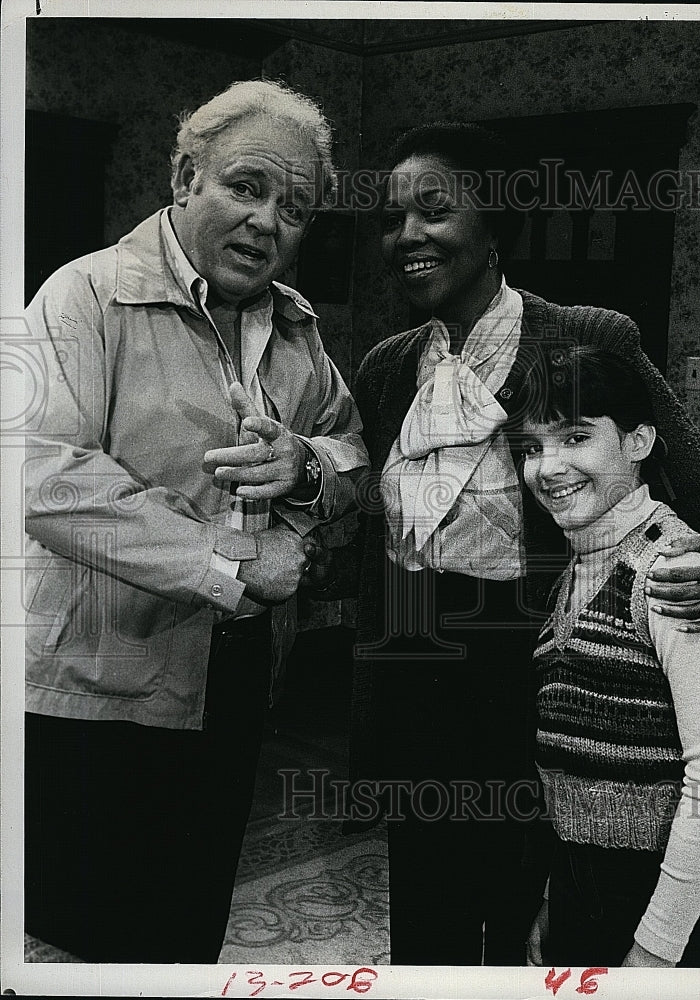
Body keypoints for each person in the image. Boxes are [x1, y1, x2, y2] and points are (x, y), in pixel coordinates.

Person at [347, 123, 700, 966]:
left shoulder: (586, 333)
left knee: (533, 920)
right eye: (391, 220)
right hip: (414, 676)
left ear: (493, 226)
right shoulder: (388, 367)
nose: (408, 236)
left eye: (434, 210)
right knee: (428, 926)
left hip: (537, 677)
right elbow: (364, 523)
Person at [24, 78, 368, 963]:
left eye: (294, 208)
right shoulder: (83, 296)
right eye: (245, 187)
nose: (266, 223)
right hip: (96, 689)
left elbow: (349, 451)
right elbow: (44, 477)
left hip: (238, 679)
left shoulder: (299, 332)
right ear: (185, 179)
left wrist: (304, 466)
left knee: (183, 935)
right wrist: (233, 561)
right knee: (81, 946)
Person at [519, 345, 700, 968]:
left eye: (576, 437)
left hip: (669, 905)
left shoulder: (676, 567)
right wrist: (559, 895)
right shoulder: (577, 565)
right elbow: (580, 766)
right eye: (533, 447)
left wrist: (655, 949)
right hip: (587, 888)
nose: (549, 466)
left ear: (639, 441)